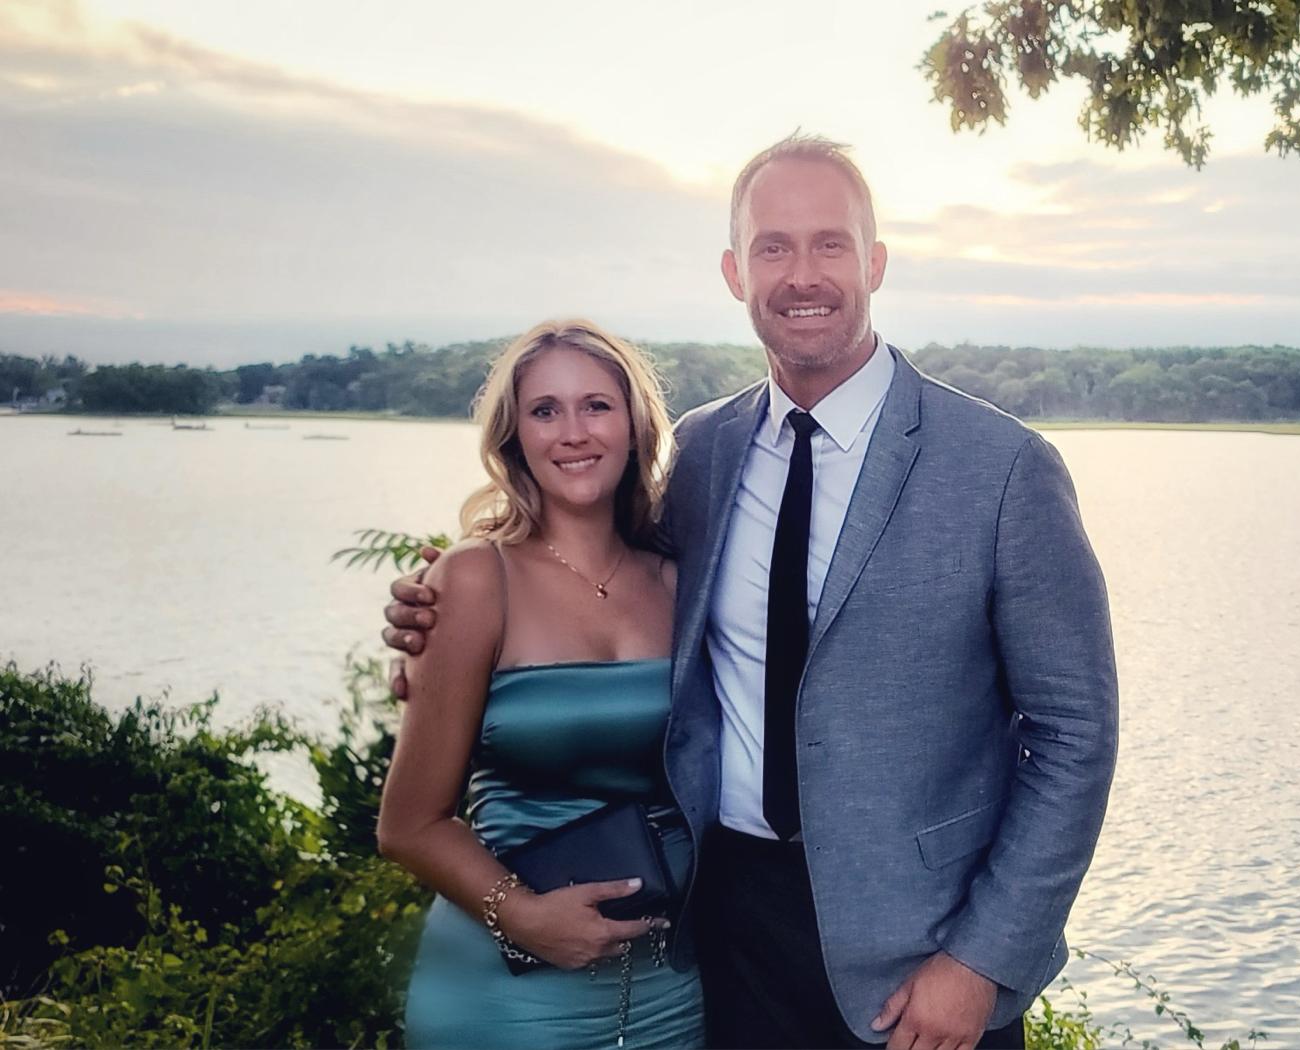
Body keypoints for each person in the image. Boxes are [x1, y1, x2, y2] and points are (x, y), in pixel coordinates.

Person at [386, 134, 1118, 1050]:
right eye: (773, 247)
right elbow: (583, 583)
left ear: (875, 262)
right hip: (724, 942)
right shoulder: (703, 453)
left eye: (829, 243)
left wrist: (982, 961)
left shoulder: (1003, 468)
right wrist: (434, 616)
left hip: (924, 958)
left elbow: (1074, 734)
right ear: (736, 273)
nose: (801, 275)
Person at [375, 319, 704, 1049]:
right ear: (514, 436)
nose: (573, 432)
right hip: (511, 989)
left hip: (675, 986)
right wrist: (523, 918)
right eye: (545, 410)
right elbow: (407, 824)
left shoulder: (682, 584)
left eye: (597, 406)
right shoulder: (473, 578)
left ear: (634, 426)